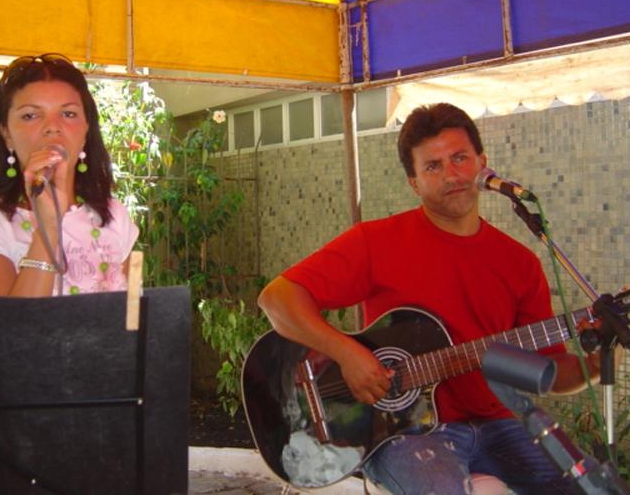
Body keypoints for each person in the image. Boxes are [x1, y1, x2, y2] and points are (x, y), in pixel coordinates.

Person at [258, 103, 602, 494]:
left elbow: (551, 371)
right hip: (403, 432)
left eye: (460, 158)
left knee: (590, 486)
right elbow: (278, 299)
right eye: (433, 166)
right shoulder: (377, 242)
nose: (451, 175)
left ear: (482, 162)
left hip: (501, 426)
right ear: (414, 183)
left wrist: (595, 364)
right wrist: (346, 353)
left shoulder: (520, 262)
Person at [0, 53, 138, 297]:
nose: (52, 127)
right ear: (6, 134)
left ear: (86, 131)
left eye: (68, 114)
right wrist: (48, 228)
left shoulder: (114, 216)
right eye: (30, 115)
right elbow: (8, 322)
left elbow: (134, 312)